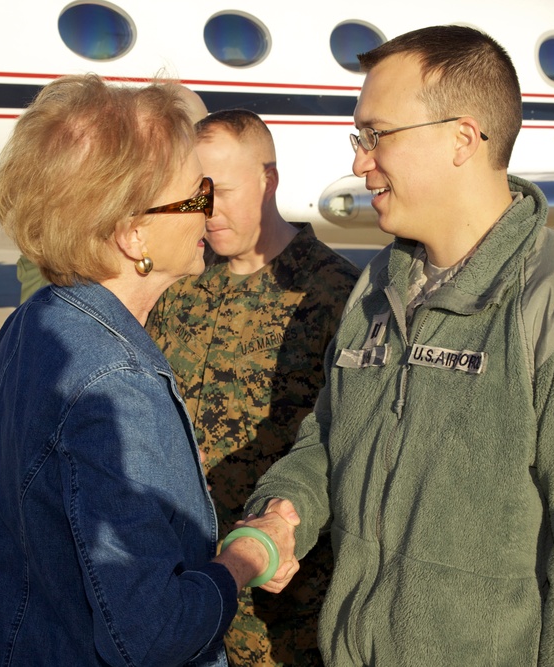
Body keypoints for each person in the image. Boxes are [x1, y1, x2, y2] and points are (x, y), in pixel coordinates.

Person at [245, 25, 554, 666]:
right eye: (358, 138)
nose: (360, 161)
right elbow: (331, 438)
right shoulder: (376, 289)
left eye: (376, 135)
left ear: (462, 139)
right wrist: (286, 510)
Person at [0, 74, 300, 667]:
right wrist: (250, 554)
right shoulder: (115, 381)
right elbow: (152, 633)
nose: (207, 213)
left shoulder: (36, 322)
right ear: (134, 233)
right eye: (195, 196)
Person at [147, 109, 359, 666]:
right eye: (195, 193)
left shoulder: (334, 294)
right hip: (183, 582)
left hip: (282, 600)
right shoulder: (180, 282)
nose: (206, 211)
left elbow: (351, 442)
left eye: (223, 191)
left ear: (270, 181)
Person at [15, 83, 209, 303]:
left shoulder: (47, 315)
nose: (209, 209)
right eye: (194, 197)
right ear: (134, 235)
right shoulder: (89, 335)